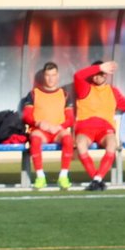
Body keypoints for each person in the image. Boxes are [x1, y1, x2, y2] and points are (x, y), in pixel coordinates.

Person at [71, 60, 125, 192]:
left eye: (101, 73)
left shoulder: (113, 92)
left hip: (105, 129)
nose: (97, 76)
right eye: (95, 73)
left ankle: (96, 179)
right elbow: (77, 76)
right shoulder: (85, 88)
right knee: (80, 144)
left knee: (112, 143)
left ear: (106, 75)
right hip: (85, 128)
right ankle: (97, 179)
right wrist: (99, 67)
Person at [21, 62, 75, 190]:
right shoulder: (33, 94)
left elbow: (70, 119)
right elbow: (26, 116)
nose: (51, 79)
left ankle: (63, 176)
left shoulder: (64, 94)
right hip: (41, 131)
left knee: (68, 138)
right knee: (35, 138)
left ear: (58, 76)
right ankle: (40, 177)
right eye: (48, 75)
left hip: (58, 131)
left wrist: (59, 127)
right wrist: (38, 123)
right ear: (43, 76)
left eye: (53, 75)